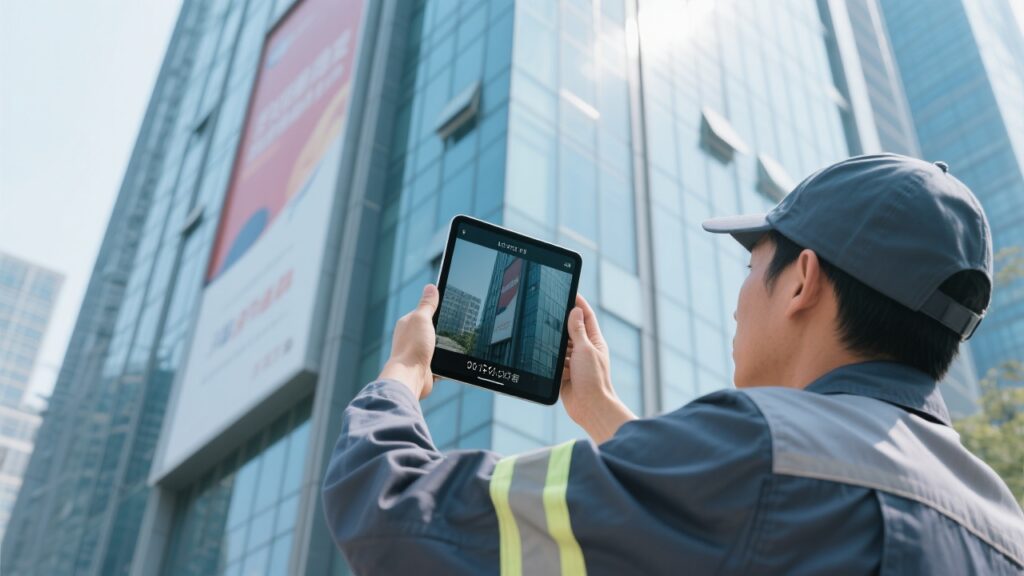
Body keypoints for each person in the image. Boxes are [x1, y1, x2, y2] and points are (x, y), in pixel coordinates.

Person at [321, 154, 1024, 574]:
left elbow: (393, 515)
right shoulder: (1002, 525)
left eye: (754, 264)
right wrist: (603, 415)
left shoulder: (754, 449)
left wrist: (401, 380)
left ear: (803, 281)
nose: (739, 297)